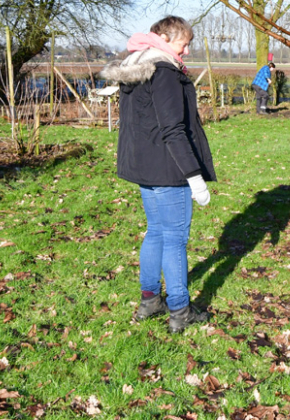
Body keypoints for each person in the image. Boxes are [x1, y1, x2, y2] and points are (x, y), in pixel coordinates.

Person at [100, 16, 216, 334]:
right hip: (169, 168)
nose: (187, 50)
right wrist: (194, 176)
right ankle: (179, 308)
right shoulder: (164, 72)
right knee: (175, 238)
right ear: (164, 38)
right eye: (184, 43)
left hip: (144, 166)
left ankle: (150, 300)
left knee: (156, 232)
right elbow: (173, 128)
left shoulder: (136, 67)